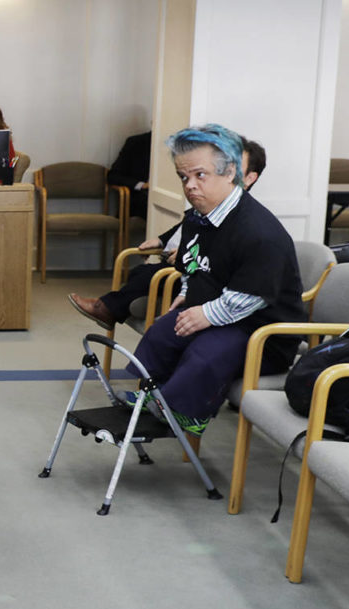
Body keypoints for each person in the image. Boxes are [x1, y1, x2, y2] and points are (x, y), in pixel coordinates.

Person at [121, 124, 305, 438]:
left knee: (206, 349)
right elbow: (194, 265)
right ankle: (152, 393)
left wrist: (204, 313)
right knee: (164, 331)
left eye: (200, 175)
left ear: (230, 172)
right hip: (222, 313)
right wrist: (190, 294)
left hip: (263, 331)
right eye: (184, 177)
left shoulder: (260, 233)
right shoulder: (198, 218)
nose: (189, 186)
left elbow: (251, 298)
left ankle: (187, 412)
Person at [69, 137, 267, 330]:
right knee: (139, 272)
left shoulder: (244, 218)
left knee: (148, 275)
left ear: (250, 178)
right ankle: (111, 309)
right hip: (178, 265)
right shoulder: (210, 200)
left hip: (197, 281)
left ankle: (107, 308)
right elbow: (187, 225)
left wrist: (186, 256)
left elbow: (215, 255)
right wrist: (162, 240)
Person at [107, 130, 152, 219]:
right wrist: (142, 185)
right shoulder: (136, 142)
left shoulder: (180, 144)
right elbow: (113, 176)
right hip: (141, 196)